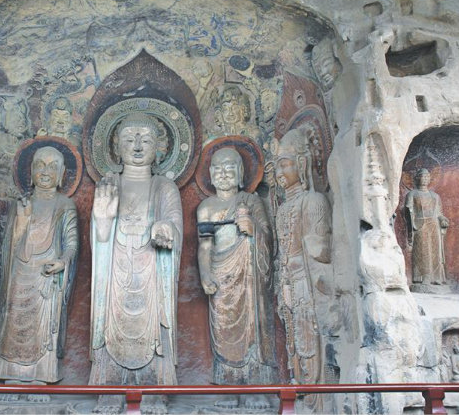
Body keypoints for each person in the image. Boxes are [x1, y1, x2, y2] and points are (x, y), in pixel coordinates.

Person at [89, 113, 182, 414]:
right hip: (114, 271)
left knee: (154, 329)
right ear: (116, 146)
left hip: (152, 272)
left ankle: (155, 392)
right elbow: (99, 239)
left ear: (160, 148)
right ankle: (109, 391)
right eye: (130, 139)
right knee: (111, 325)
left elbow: (174, 226)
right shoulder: (109, 184)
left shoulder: (164, 187)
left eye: (146, 139)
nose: (138, 146)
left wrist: (166, 229)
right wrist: (103, 218)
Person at [197, 147, 275, 410]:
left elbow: (268, 237)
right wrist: (205, 273)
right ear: (210, 174)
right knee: (223, 330)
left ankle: (257, 388)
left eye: (230, 167)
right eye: (218, 168)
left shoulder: (251, 201)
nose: (223, 173)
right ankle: (229, 386)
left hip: (249, 276)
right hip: (221, 275)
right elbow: (205, 245)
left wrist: (253, 230)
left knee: (254, 329)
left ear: (241, 172)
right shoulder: (206, 208)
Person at [0, 146, 78, 386]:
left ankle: (41, 374)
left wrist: (62, 261)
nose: (45, 171)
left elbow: (71, 243)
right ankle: (11, 372)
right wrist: (23, 219)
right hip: (19, 273)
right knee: (14, 321)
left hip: (46, 278)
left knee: (43, 328)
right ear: (30, 171)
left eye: (52, 167)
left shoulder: (65, 205)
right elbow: (9, 245)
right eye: (40, 165)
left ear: (61, 174)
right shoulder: (21, 203)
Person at [274, 126, 332, 410]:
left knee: (310, 341)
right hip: (289, 284)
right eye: (276, 166)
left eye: (284, 164)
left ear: (302, 163)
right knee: (294, 344)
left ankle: (317, 400)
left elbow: (321, 252)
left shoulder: (313, 201)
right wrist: (283, 281)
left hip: (307, 285)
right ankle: (301, 396)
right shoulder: (283, 208)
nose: (279, 172)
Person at [404, 168, 449, 286]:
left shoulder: (435, 196)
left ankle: (436, 277)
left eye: (427, 177)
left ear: (430, 179)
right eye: (422, 177)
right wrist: (409, 211)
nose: (424, 179)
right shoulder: (412, 194)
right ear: (417, 178)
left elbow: (439, 213)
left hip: (434, 225)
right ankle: (423, 277)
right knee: (422, 251)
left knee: (435, 251)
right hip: (420, 225)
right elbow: (408, 210)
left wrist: (443, 219)